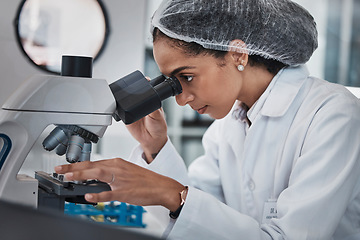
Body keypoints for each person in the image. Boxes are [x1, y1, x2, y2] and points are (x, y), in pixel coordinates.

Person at [55, 0, 360, 239]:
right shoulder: (227, 128)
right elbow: (197, 217)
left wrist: (169, 192)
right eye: (171, 82)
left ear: (238, 55)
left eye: (186, 77)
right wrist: (155, 148)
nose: (180, 97)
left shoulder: (332, 115)